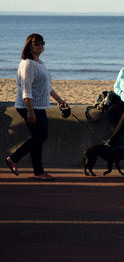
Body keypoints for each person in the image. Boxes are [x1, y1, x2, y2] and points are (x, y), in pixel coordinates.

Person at [5, 34, 68, 181]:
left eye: (42, 43)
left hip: (38, 106)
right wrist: (30, 111)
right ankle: (18, 161)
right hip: (29, 106)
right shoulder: (28, 64)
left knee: (39, 137)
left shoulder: (39, 62)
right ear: (29, 46)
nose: (40, 46)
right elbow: (26, 89)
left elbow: (47, 86)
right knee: (40, 136)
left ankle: (33, 169)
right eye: (36, 43)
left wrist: (59, 100)